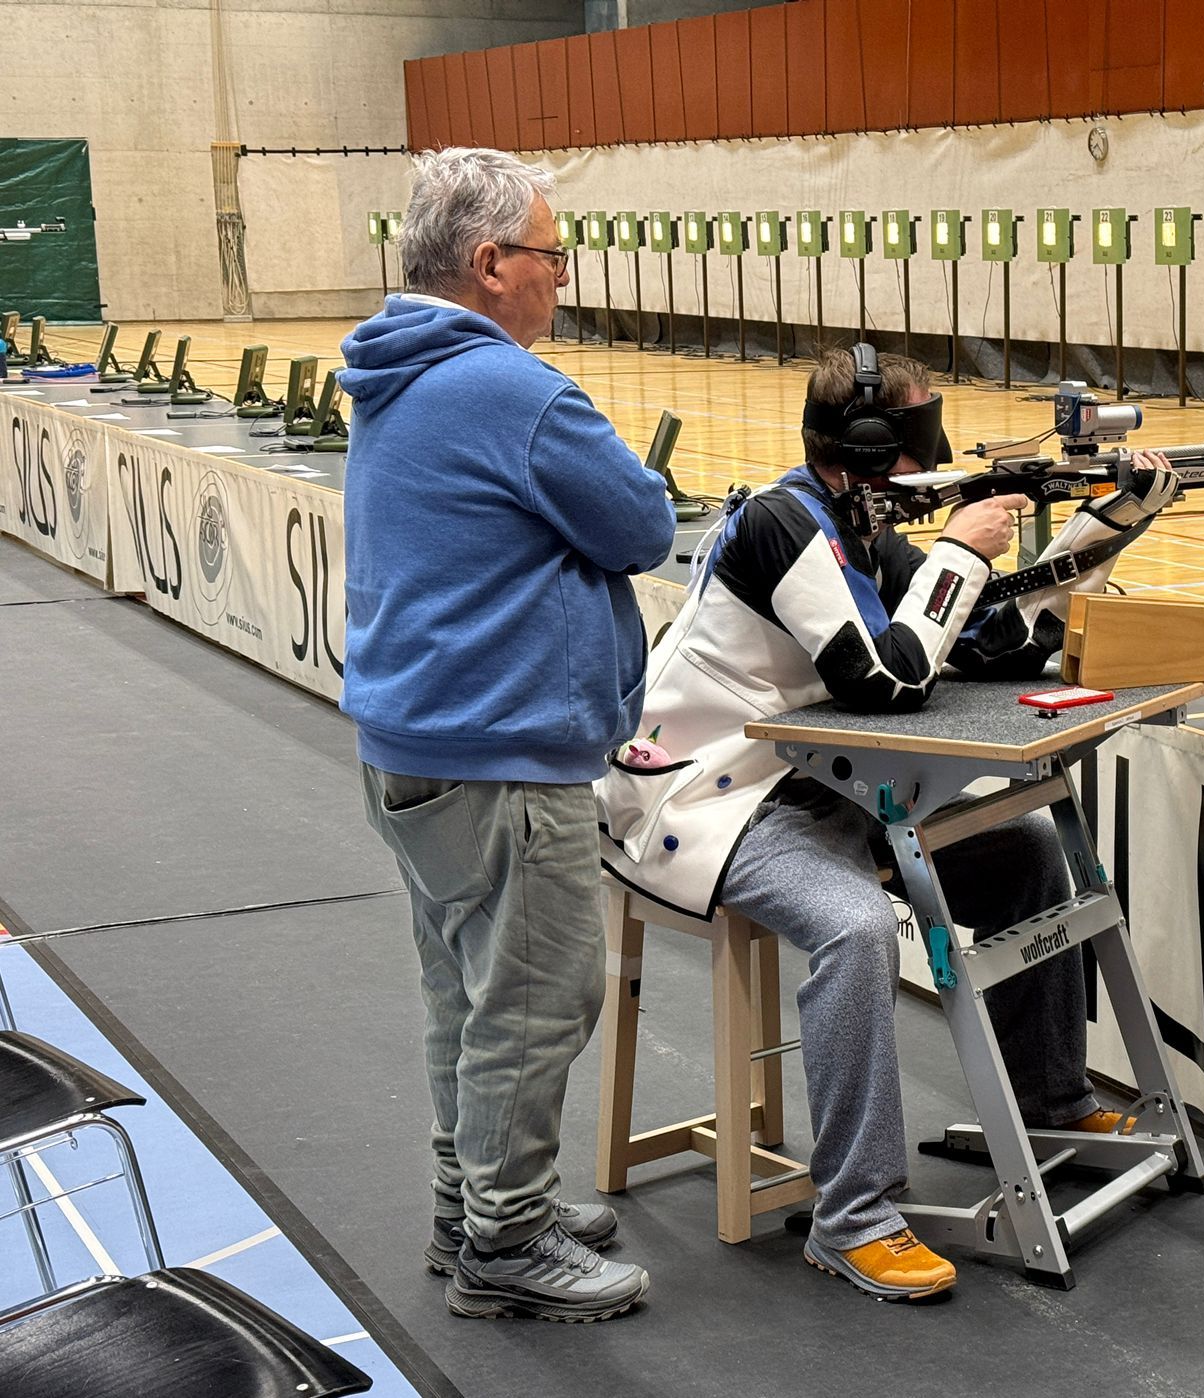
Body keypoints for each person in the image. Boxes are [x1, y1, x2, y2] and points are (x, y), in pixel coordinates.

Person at [600, 343, 1177, 1300]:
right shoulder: (785, 523)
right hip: (713, 803)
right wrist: (961, 551)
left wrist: (1106, 525)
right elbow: (885, 679)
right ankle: (852, 1217)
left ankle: (1051, 1101)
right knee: (858, 926)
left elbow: (987, 641)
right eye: (919, 427)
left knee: (1029, 855)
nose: (932, 450)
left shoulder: (861, 528)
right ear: (869, 440)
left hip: (825, 789)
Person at [339, 146, 676, 1324]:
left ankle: (471, 1206)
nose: (560, 276)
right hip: (497, 755)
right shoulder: (509, 388)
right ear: (489, 263)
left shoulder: (396, 364)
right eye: (550, 254)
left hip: (417, 746)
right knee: (534, 1004)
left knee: (467, 997)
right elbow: (640, 526)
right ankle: (508, 1239)